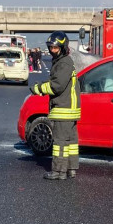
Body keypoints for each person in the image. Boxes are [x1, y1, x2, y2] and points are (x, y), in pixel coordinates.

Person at [30, 31, 81, 180]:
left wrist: (38, 89)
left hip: (63, 108)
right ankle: (71, 169)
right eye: (51, 47)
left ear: (63, 48)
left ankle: (58, 171)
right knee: (70, 142)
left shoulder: (64, 63)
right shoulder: (65, 61)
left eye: (55, 48)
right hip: (70, 109)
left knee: (59, 142)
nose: (52, 51)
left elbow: (57, 86)